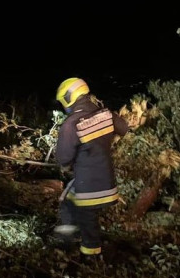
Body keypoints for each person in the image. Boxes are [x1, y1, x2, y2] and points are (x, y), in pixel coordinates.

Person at [52, 78, 128, 257]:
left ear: (69, 98)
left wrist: (65, 165)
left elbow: (63, 158)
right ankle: (70, 238)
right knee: (68, 201)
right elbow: (124, 129)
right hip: (108, 183)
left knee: (86, 221)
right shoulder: (106, 114)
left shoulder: (71, 124)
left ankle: (88, 258)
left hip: (88, 188)